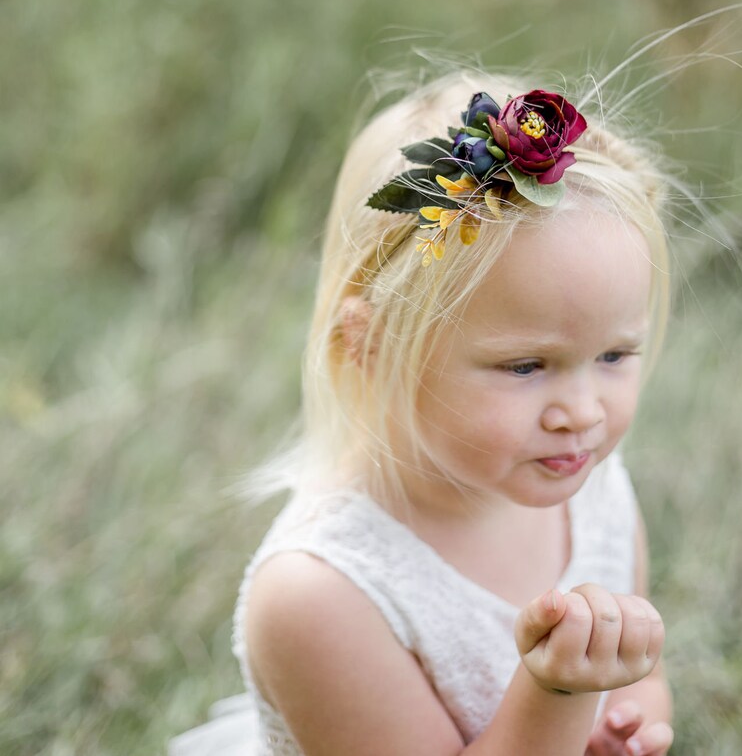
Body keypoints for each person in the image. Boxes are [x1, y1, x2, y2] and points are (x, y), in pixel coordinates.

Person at [169, 71, 677, 756]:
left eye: (615, 354)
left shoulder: (596, 493)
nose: (583, 413)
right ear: (373, 345)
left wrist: (630, 720)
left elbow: (641, 682)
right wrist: (556, 695)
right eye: (526, 366)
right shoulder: (320, 593)